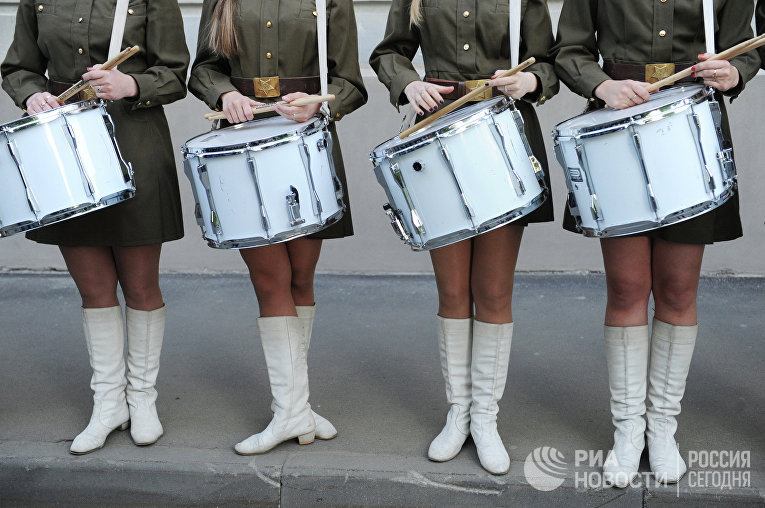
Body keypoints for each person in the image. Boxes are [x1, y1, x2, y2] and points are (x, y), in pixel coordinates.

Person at [552, 0, 760, 487]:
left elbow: (748, 46)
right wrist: (602, 84)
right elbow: (569, 49)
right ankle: (628, 431)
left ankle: (662, 428)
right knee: (626, 288)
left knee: (678, 290)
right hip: (615, 125)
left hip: (691, 125)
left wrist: (737, 70)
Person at [370, 0, 558, 475]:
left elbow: (552, 62)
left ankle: (486, 419)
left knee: (493, 292)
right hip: (434, 140)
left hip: (502, 136)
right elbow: (389, 53)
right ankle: (459, 414)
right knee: (453, 291)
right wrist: (407, 82)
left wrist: (530, 81)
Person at [1, 0, 189, 454]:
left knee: (141, 286)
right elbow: (18, 67)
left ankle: (142, 399)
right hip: (66, 150)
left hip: (134, 143)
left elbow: (177, 74)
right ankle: (109, 404)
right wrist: (32, 95)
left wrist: (131, 83)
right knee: (94, 289)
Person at [188, 0, 367, 454]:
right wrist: (223, 94)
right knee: (271, 280)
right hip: (242, 146)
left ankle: (297, 408)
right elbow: (203, 70)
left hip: (306, 143)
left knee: (302, 277)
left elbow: (349, 82)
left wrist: (322, 103)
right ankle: (290, 412)